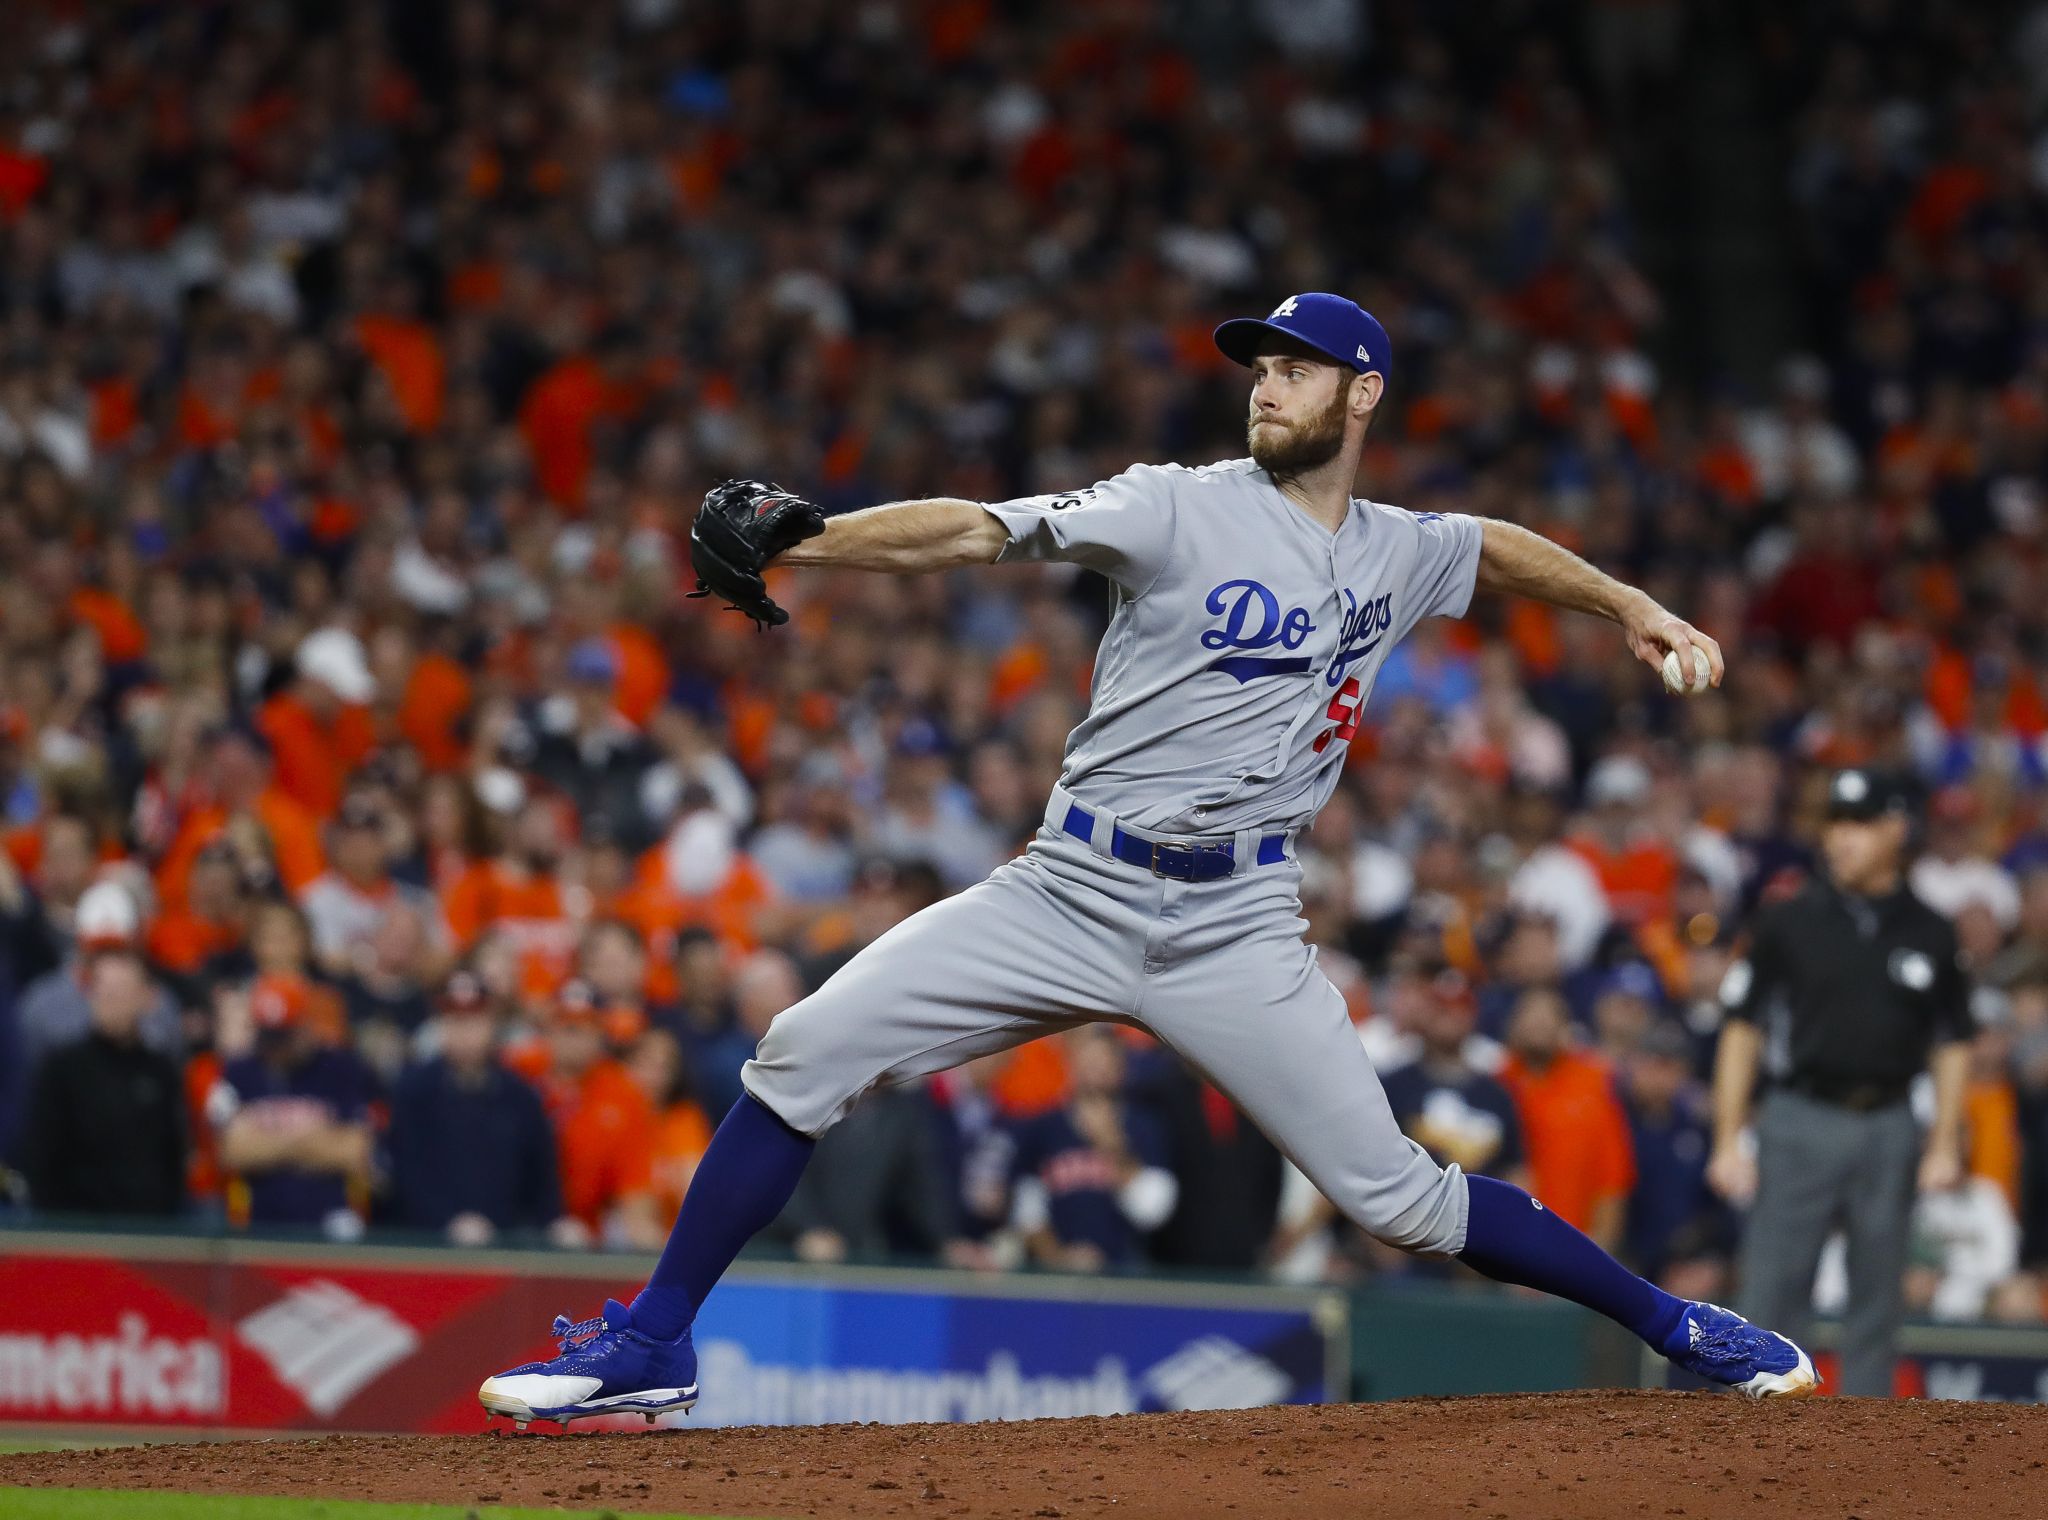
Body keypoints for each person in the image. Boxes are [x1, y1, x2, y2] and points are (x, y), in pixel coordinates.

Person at [480, 291, 1815, 1429]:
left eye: (1294, 370)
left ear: (1362, 394)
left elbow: (1497, 550)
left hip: (1239, 922)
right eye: (1259, 367)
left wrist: (1634, 605)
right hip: (1073, 887)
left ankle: (1676, 1327)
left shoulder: (1401, 549)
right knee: (804, 1049)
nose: (1266, 386)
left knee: (1398, 1199)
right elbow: (980, 526)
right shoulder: (1173, 507)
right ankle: (655, 1344)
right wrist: (817, 541)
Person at [1708, 767, 1974, 1397]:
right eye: (1835, 824)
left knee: (1879, 1300)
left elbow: (1954, 1041)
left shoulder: (1930, 930)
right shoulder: (1788, 919)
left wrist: (1942, 1141)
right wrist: (1726, 1138)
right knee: (1773, 1289)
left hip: (1889, 1121)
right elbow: (1741, 1029)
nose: (1841, 839)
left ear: (1894, 830)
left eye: (1858, 824)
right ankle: (1750, 1450)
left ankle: (1866, 1463)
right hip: (1801, 1115)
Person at [385, 971, 565, 1245]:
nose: (465, 1031)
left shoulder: (520, 1096)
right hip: (426, 1244)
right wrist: (446, 1222)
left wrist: (552, 1224)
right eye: (456, 1020)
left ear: (492, 1024)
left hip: (509, 1243)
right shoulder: (412, 1090)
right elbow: (403, 1176)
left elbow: (541, 1181)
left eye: (474, 1020)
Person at [21, 948, 187, 1219]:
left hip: (148, 1231)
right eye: (102, 988)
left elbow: (172, 1156)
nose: (110, 999)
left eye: (121, 989)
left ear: (145, 997)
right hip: (76, 1230)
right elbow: (42, 1159)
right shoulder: (62, 1068)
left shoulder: (161, 1070)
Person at [210, 971, 377, 1236]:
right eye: (269, 1035)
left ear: (306, 1025)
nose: (275, 1046)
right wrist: (314, 1140)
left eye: (284, 1035)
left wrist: (267, 1142)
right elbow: (233, 1152)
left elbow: (354, 1152)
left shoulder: (341, 1067)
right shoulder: (240, 1071)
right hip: (258, 1221)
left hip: (333, 1221)